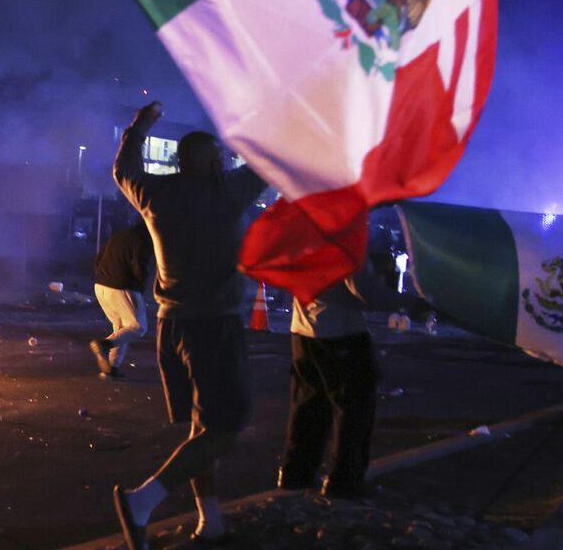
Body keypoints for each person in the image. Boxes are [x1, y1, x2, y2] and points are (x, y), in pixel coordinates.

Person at [110, 102, 268, 547]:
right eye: (220, 157)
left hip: (171, 326)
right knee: (226, 429)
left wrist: (140, 126)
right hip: (213, 328)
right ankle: (143, 501)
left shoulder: (155, 195)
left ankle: (210, 521)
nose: (225, 163)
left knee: (203, 430)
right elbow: (269, 161)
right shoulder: (228, 193)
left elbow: (123, 169)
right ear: (212, 162)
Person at [277, 269, 387, 499]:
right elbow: (365, 292)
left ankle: (295, 475)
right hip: (342, 333)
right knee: (353, 409)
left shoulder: (300, 246)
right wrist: (411, 303)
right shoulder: (345, 246)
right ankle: (344, 481)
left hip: (302, 331)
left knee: (307, 407)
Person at [90, 222, 153, 379]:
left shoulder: (119, 235)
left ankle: (111, 368)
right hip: (122, 287)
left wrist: (103, 276)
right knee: (138, 327)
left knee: (121, 328)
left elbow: (98, 259)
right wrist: (140, 286)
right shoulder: (142, 239)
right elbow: (139, 265)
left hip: (101, 285)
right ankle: (104, 345)